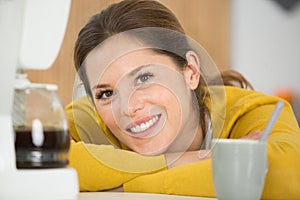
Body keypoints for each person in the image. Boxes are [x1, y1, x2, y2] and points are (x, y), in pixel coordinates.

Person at [66, 0, 300, 198]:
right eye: (106, 93)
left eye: (144, 77)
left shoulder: (256, 111)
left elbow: (282, 175)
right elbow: (42, 157)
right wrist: (197, 159)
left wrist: (120, 186)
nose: (128, 107)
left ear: (190, 71)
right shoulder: (92, 116)